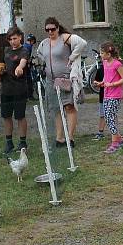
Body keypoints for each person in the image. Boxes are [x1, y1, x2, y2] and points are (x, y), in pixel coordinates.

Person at [35, 17, 87, 149]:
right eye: (48, 30)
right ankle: (59, 138)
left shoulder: (65, 38)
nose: (50, 32)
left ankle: (70, 137)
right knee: (55, 108)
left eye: (53, 29)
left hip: (65, 78)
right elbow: (40, 54)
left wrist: (72, 57)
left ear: (58, 28)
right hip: (50, 80)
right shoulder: (45, 43)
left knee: (69, 106)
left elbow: (82, 43)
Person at [0, 27, 30, 154]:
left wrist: (20, 68)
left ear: (20, 37)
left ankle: (22, 142)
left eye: (15, 38)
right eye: (10, 39)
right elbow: (0, 65)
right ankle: (9, 142)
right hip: (6, 89)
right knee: (6, 116)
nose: (12, 41)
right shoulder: (6, 51)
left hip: (19, 89)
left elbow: (23, 61)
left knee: (20, 116)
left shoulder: (24, 50)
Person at [97, 41, 123, 154]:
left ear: (108, 54)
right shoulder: (105, 63)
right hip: (106, 94)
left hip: (115, 95)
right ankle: (119, 140)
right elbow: (107, 77)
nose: (100, 55)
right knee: (107, 117)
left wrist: (113, 84)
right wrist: (102, 83)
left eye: (102, 53)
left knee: (110, 116)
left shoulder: (117, 64)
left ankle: (114, 143)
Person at [92, 61, 106, 141]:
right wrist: (97, 83)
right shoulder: (101, 69)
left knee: (112, 115)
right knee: (102, 115)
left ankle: (115, 133)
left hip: (111, 95)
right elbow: (95, 82)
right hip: (103, 95)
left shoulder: (115, 67)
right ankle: (100, 132)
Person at [24, 34, 37, 99]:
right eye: (33, 42)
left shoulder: (24, 45)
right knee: (29, 81)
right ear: (32, 41)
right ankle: (30, 96)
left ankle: (27, 96)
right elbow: (27, 57)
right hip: (26, 66)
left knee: (25, 81)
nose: (33, 44)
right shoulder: (29, 46)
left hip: (23, 66)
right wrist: (30, 62)